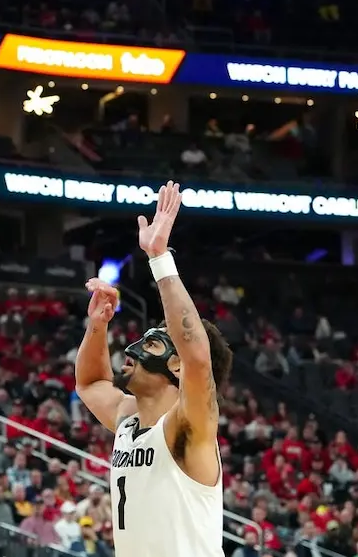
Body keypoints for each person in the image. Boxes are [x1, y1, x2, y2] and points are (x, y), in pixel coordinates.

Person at [75, 181, 233, 557]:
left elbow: (197, 354)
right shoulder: (129, 421)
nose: (130, 348)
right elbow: (91, 381)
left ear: (176, 364)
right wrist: (98, 325)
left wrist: (160, 258)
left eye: (152, 343)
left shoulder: (189, 427)